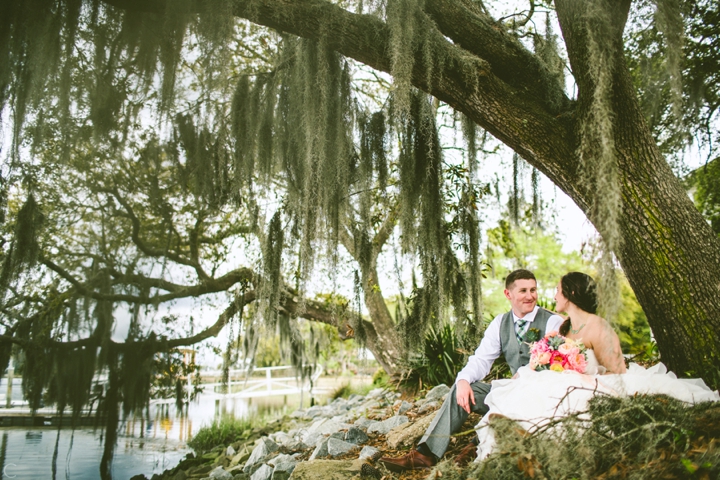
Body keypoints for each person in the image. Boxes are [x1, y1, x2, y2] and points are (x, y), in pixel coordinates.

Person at [474, 272, 720, 460]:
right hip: (564, 382)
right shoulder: (563, 328)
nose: (554, 296)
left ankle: (533, 440)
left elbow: (618, 371)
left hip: (594, 385)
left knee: (557, 402)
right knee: (531, 391)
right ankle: (517, 435)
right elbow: (551, 361)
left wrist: (588, 380)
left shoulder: (598, 327)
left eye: (558, 291)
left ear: (570, 294)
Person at [380, 269, 565, 472]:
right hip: (506, 390)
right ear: (508, 294)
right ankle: (426, 454)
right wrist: (463, 380)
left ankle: (473, 450)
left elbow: (556, 367)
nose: (530, 296)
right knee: (465, 390)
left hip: (535, 399)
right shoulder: (499, 324)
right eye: (523, 291)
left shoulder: (552, 322)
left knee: (504, 405)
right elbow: (481, 359)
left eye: (533, 290)